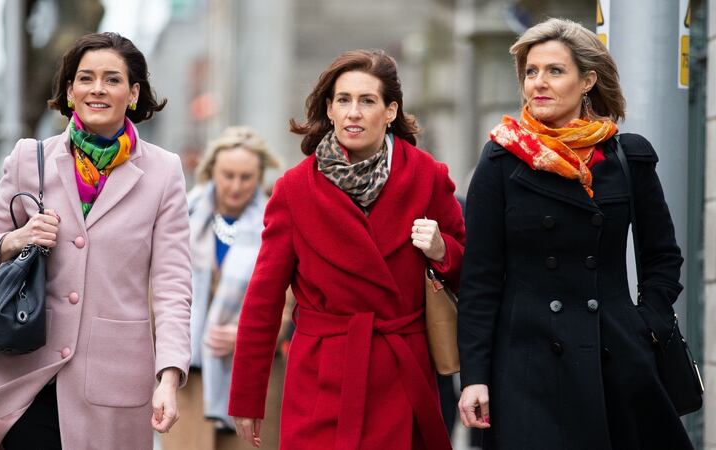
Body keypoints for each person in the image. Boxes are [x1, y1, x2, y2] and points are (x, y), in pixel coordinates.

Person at [0, 32, 193, 450]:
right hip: (30, 376)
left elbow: (172, 286)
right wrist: (18, 238)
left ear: (133, 93)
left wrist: (169, 375)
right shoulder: (28, 159)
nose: (98, 89)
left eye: (112, 79)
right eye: (85, 78)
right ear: (70, 92)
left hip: (114, 383)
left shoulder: (165, 172)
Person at [457, 18, 693, 450]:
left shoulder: (626, 156)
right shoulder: (501, 159)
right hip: (526, 367)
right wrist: (474, 376)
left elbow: (663, 259)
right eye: (531, 72)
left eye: (554, 71)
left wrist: (647, 325)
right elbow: (480, 281)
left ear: (587, 80)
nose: (538, 83)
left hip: (615, 357)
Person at [228, 49, 465, 450]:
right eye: (344, 100)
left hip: (402, 374)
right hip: (322, 377)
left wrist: (442, 251)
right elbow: (264, 299)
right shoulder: (294, 190)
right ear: (330, 109)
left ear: (390, 111)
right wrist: (247, 397)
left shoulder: (428, 176)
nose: (354, 112)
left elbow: (470, 272)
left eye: (367, 101)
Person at [162, 126, 290, 450]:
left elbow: (289, 299)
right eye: (228, 175)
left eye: (246, 177)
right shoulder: (181, 217)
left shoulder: (277, 223)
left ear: (259, 177)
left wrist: (249, 335)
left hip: (253, 374)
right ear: (211, 172)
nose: (235, 186)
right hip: (189, 378)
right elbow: (160, 288)